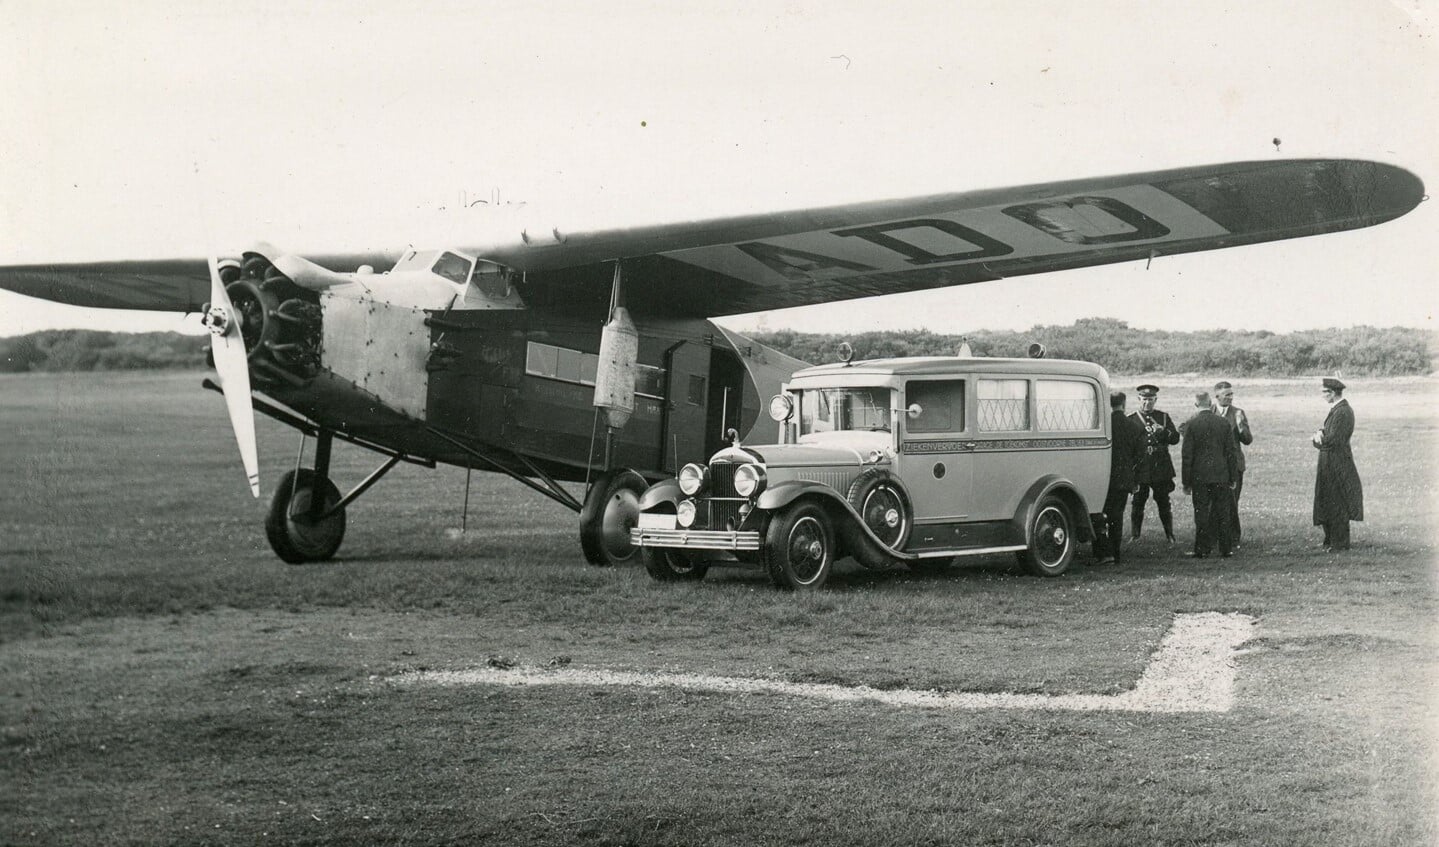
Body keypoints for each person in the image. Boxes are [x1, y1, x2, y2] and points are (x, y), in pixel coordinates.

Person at [1181, 391, 1238, 558]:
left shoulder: (1191, 424)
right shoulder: (1223, 423)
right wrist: (1233, 476)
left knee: (1201, 512)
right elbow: (1230, 452)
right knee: (1223, 512)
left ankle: (1202, 549)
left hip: (1200, 476)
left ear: (1196, 404)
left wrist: (1186, 482)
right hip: (1221, 475)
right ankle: (1226, 548)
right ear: (1211, 402)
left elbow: (1187, 456)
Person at [1312, 378, 1363, 551]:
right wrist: (1321, 435)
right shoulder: (1338, 410)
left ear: (1332, 393)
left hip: (1337, 463)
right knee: (1328, 499)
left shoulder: (1342, 412)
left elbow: (1333, 440)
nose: (1322, 396)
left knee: (1337, 501)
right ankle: (1331, 540)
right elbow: (1329, 435)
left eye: (1324, 392)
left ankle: (1339, 543)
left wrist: (1318, 439)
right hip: (1330, 461)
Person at [1095, 390, 1145, 564]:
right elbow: (1139, 457)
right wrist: (1135, 480)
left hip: (1102, 477)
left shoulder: (1104, 424)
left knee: (1099, 514)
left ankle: (1102, 551)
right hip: (1123, 478)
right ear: (1124, 404)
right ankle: (1115, 552)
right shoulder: (1134, 427)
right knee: (1117, 515)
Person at [1129, 385, 1181, 542]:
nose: (1147, 403)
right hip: (1141, 466)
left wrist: (1163, 431)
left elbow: (1175, 438)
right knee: (1138, 502)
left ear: (1155, 400)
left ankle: (1170, 535)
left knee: (1164, 501)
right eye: (1144, 400)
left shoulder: (1163, 417)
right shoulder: (1131, 419)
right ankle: (1135, 535)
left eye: (1150, 400)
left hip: (1160, 466)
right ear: (1139, 399)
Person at [1212, 380, 1254, 548]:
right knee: (1213, 502)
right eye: (1226, 394)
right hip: (1214, 466)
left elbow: (1248, 440)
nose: (1230, 397)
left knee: (1232, 501)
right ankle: (1214, 536)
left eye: (1231, 394)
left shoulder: (1238, 412)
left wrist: (1240, 426)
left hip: (1234, 465)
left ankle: (1233, 538)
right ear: (1217, 396)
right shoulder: (1209, 412)